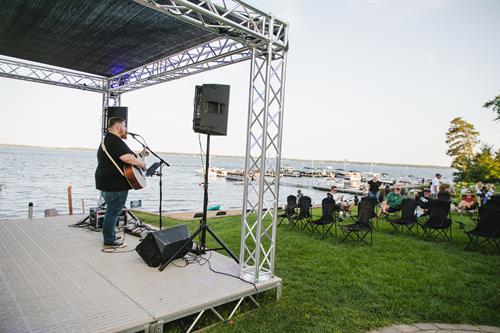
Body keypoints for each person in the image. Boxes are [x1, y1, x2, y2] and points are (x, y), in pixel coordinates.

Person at [95, 117, 146, 248]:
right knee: (113, 211)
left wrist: (140, 155)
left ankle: (110, 234)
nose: (126, 128)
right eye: (124, 125)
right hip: (114, 183)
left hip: (107, 181)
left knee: (112, 210)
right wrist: (140, 163)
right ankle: (109, 240)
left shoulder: (108, 140)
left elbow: (125, 157)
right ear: (118, 127)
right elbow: (126, 157)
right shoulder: (114, 140)